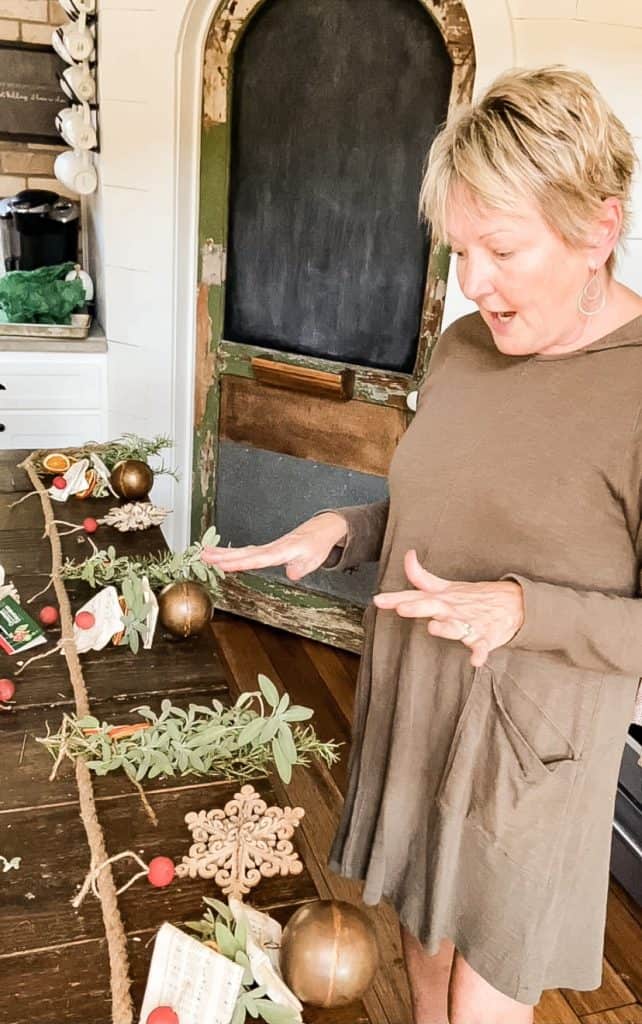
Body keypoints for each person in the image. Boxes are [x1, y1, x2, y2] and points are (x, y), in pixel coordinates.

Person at [202, 66, 642, 1024]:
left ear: (600, 227)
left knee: (482, 1000)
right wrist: (343, 529)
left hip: (527, 760)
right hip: (417, 701)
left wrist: (529, 608)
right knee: (423, 964)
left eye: (502, 249)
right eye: (456, 249)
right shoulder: (467, 343)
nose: (470, 284)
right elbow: (445, 506)